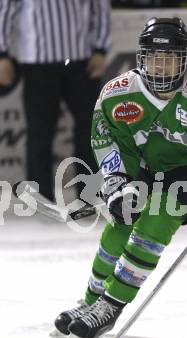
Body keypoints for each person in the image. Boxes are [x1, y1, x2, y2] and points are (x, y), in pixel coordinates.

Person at [54, 17, 187, 338]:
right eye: (153, 59)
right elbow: (103, 135)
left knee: (155, 219)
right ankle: (90, 302)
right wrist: (116, 181)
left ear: (184, 59)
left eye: (170, 59)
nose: (161, 67)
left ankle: (110, 305)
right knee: (120, 226)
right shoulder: (117, 95)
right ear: (141, 59)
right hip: (147, 171)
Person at [0, 0, 111, 201]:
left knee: (90, 130)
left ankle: (91, 196)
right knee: (39, 133)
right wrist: (2, 53)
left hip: (80, 59)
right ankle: (40, 199)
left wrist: (100, 49)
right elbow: (5, 9)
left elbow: (100, 7)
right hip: (37, 61)